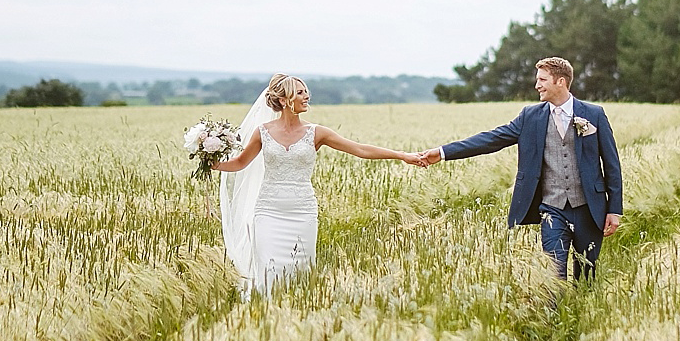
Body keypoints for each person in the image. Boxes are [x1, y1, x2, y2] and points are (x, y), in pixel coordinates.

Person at [213, 73, 424, 294]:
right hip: (268, 211)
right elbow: (239, 163)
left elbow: (360, 149)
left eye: (306, 92)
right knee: (268, 270)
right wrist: (212, 163)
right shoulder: (263, 132)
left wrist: (402, 155)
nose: (307, 96)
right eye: (300, 92)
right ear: (284, 100)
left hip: (302, 212)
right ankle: (266, 314)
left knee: (300, 273)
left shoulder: (317, 132)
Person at [419, 57, 623, 281]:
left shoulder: (594, 114)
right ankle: (552, 316)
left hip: (589, 208)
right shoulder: (530, 116)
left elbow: (612, 165)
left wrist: (614, 209)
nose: (537, 85)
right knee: (554, 274)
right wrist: (442, 152)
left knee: (586, 275)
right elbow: (491, 139)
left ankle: (581, 312)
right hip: (552, 209)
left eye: (542, 80)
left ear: (561, 82)